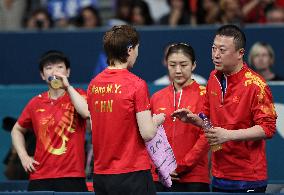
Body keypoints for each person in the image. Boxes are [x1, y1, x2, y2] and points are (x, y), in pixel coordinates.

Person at [172, 24, 277, 193]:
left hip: (248, 177)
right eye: (214, 49)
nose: (216, 55)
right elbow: (210, 122)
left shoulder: (256, 85)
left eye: (222, 50)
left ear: (240, 53)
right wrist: (195, 120)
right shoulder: (213, 77)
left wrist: (228, 135)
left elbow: (268, 128)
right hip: (219, 174)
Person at [87, 25, 165, 195]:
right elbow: (147, 133)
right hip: (132, 174)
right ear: (130, 50)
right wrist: (159, 119)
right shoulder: (136, 84)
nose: (137, 53)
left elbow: (94, 128)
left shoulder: (93, 84)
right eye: (137, 49)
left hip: (101, 176)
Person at [11, 50, 89, 192]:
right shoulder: (35, 103)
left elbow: (86, 113)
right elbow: (17, 129)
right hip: (40, 178)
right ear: (42, 75)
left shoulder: (79, 96)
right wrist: (23, 156)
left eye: (60, 67)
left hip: (72, 176)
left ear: (68, 72)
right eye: (49, 68)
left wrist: (68, 87)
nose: (55, 71)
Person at [150, 43, 210, 192]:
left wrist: (183, 165)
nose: (178, 70)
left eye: (183, 65)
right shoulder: (157, 97)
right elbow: (149, 135)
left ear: (193, 65)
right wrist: (162, 165)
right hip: (160, 176)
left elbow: (208, 133)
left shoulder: (206, 95)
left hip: (194, 177)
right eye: (172, 65)